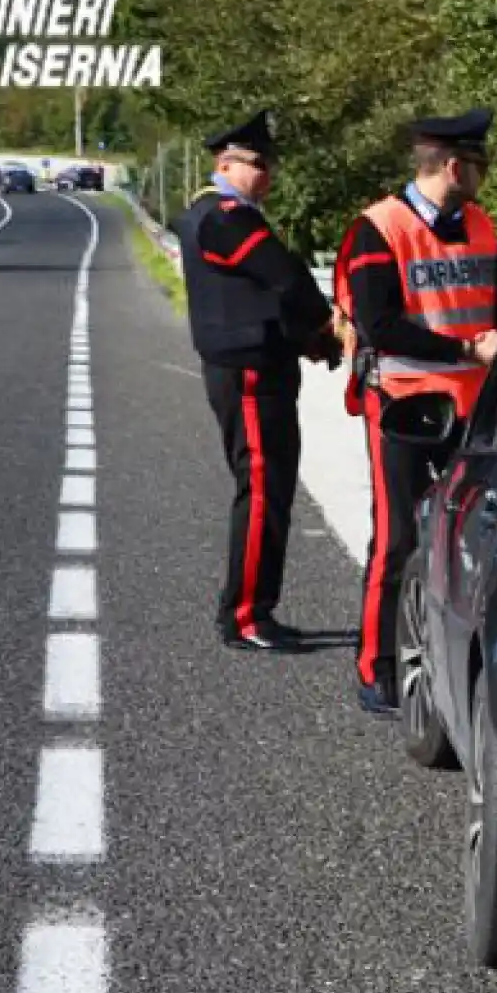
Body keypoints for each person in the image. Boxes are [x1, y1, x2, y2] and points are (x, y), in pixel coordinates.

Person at [331, 107, 497, 716]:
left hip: (471, 405)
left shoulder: (480, 225)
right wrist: (465, 347)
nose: (484, 175)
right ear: (451, 164)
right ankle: (375, 669)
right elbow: (378, 324)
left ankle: (443, 659)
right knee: (397, 537)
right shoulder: (377, 228)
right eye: (479, 163)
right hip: (406, 406)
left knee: (469, 536)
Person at [174, 109, 341, 652]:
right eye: (257, 164)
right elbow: (286, 277)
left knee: (271, 488)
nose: (267, 174)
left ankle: (252, 607)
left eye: (269, 164)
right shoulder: (225, 216)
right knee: (264, 489)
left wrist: (305, 340)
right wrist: (323, 327)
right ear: (226, 163)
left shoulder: (219, 213)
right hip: (248, 369)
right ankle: (245, 614)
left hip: (256, 362)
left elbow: (263, 295)